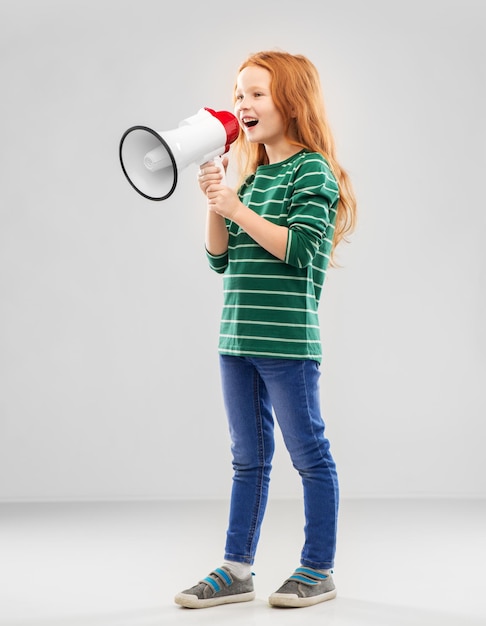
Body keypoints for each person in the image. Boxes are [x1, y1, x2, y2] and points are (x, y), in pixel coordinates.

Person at [174, 50, 357, 610]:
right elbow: (219, 261)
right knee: (247, 459)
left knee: (310, 456)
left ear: (292, 102)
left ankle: (317, 569)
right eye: (238, 94)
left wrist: (235, 207)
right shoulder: (251, 177)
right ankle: (237, 569)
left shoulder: (312, 170)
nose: (242, 104)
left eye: (256, 93)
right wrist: (217, 198)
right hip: (236, 340)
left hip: (285, 344)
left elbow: (302, 251)